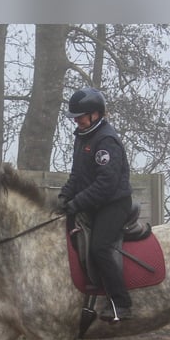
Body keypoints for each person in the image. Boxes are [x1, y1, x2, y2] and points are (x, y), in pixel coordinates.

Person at [58, 87, 133, 322]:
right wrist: (63, 198)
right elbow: (76, 176)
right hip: (92, 203)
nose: (77, 121)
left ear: (96, 114)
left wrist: (77, 202)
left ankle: (121, 304)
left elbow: (106, 185)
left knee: (99, 247)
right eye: (76, 117)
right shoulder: (82, 138)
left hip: (113, 204)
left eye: (80, 116)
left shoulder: (106, 141)